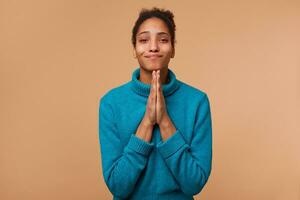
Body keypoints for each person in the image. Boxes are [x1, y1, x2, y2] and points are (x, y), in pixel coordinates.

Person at [98, 7, 212, 200]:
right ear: (134, 49)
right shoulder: (111, 103)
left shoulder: (197, 102)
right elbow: (118, 186)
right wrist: (147, 122)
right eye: (143, 40)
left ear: (173, 49)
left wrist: (164, 120)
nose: (153, 47)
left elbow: (194, 183)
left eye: (163, 40)